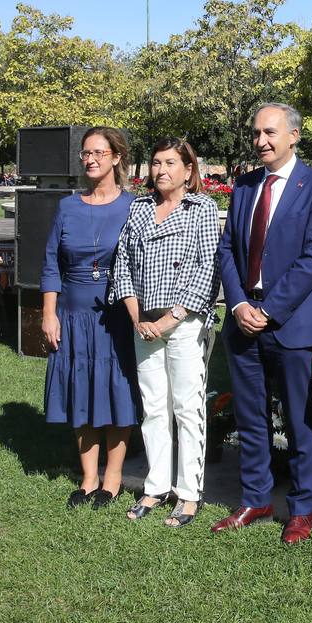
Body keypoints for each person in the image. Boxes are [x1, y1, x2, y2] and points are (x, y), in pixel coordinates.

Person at [213, 104, 312, 544]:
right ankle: (256, 498)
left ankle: (302, 509)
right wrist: (240, 305)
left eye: (270, 132)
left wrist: (269, 311)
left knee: (300, 420)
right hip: (244, 319)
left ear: (294, 136)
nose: (261, 140)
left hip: (289, 323)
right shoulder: (245, 185)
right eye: (256, 133)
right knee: (250, 417)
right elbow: (227, 248)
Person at [112, 137, 220, 527]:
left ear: (189, 171)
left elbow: (206, 269)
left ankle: (189, 493)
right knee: (154, 407)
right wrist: (137, 316)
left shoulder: (202, 209)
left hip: (184, 322)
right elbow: (122, 262)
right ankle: (155, 486)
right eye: (156, 163)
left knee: (186, 408)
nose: (161, 170)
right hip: (143, 322)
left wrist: (167, 320)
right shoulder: (140, 208)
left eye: (171, 163)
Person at [40, 128, 140, 509]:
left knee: (116, 392)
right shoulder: (68, 206)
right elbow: (51, 263)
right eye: (86, 153)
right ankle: (88, 478)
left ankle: (112, 479)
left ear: (117, 157)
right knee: (81, 389)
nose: (91, 159)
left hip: (116, 314)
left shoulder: (134, 206)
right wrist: (49, 314)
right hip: (73, 312)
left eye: (100, 152)